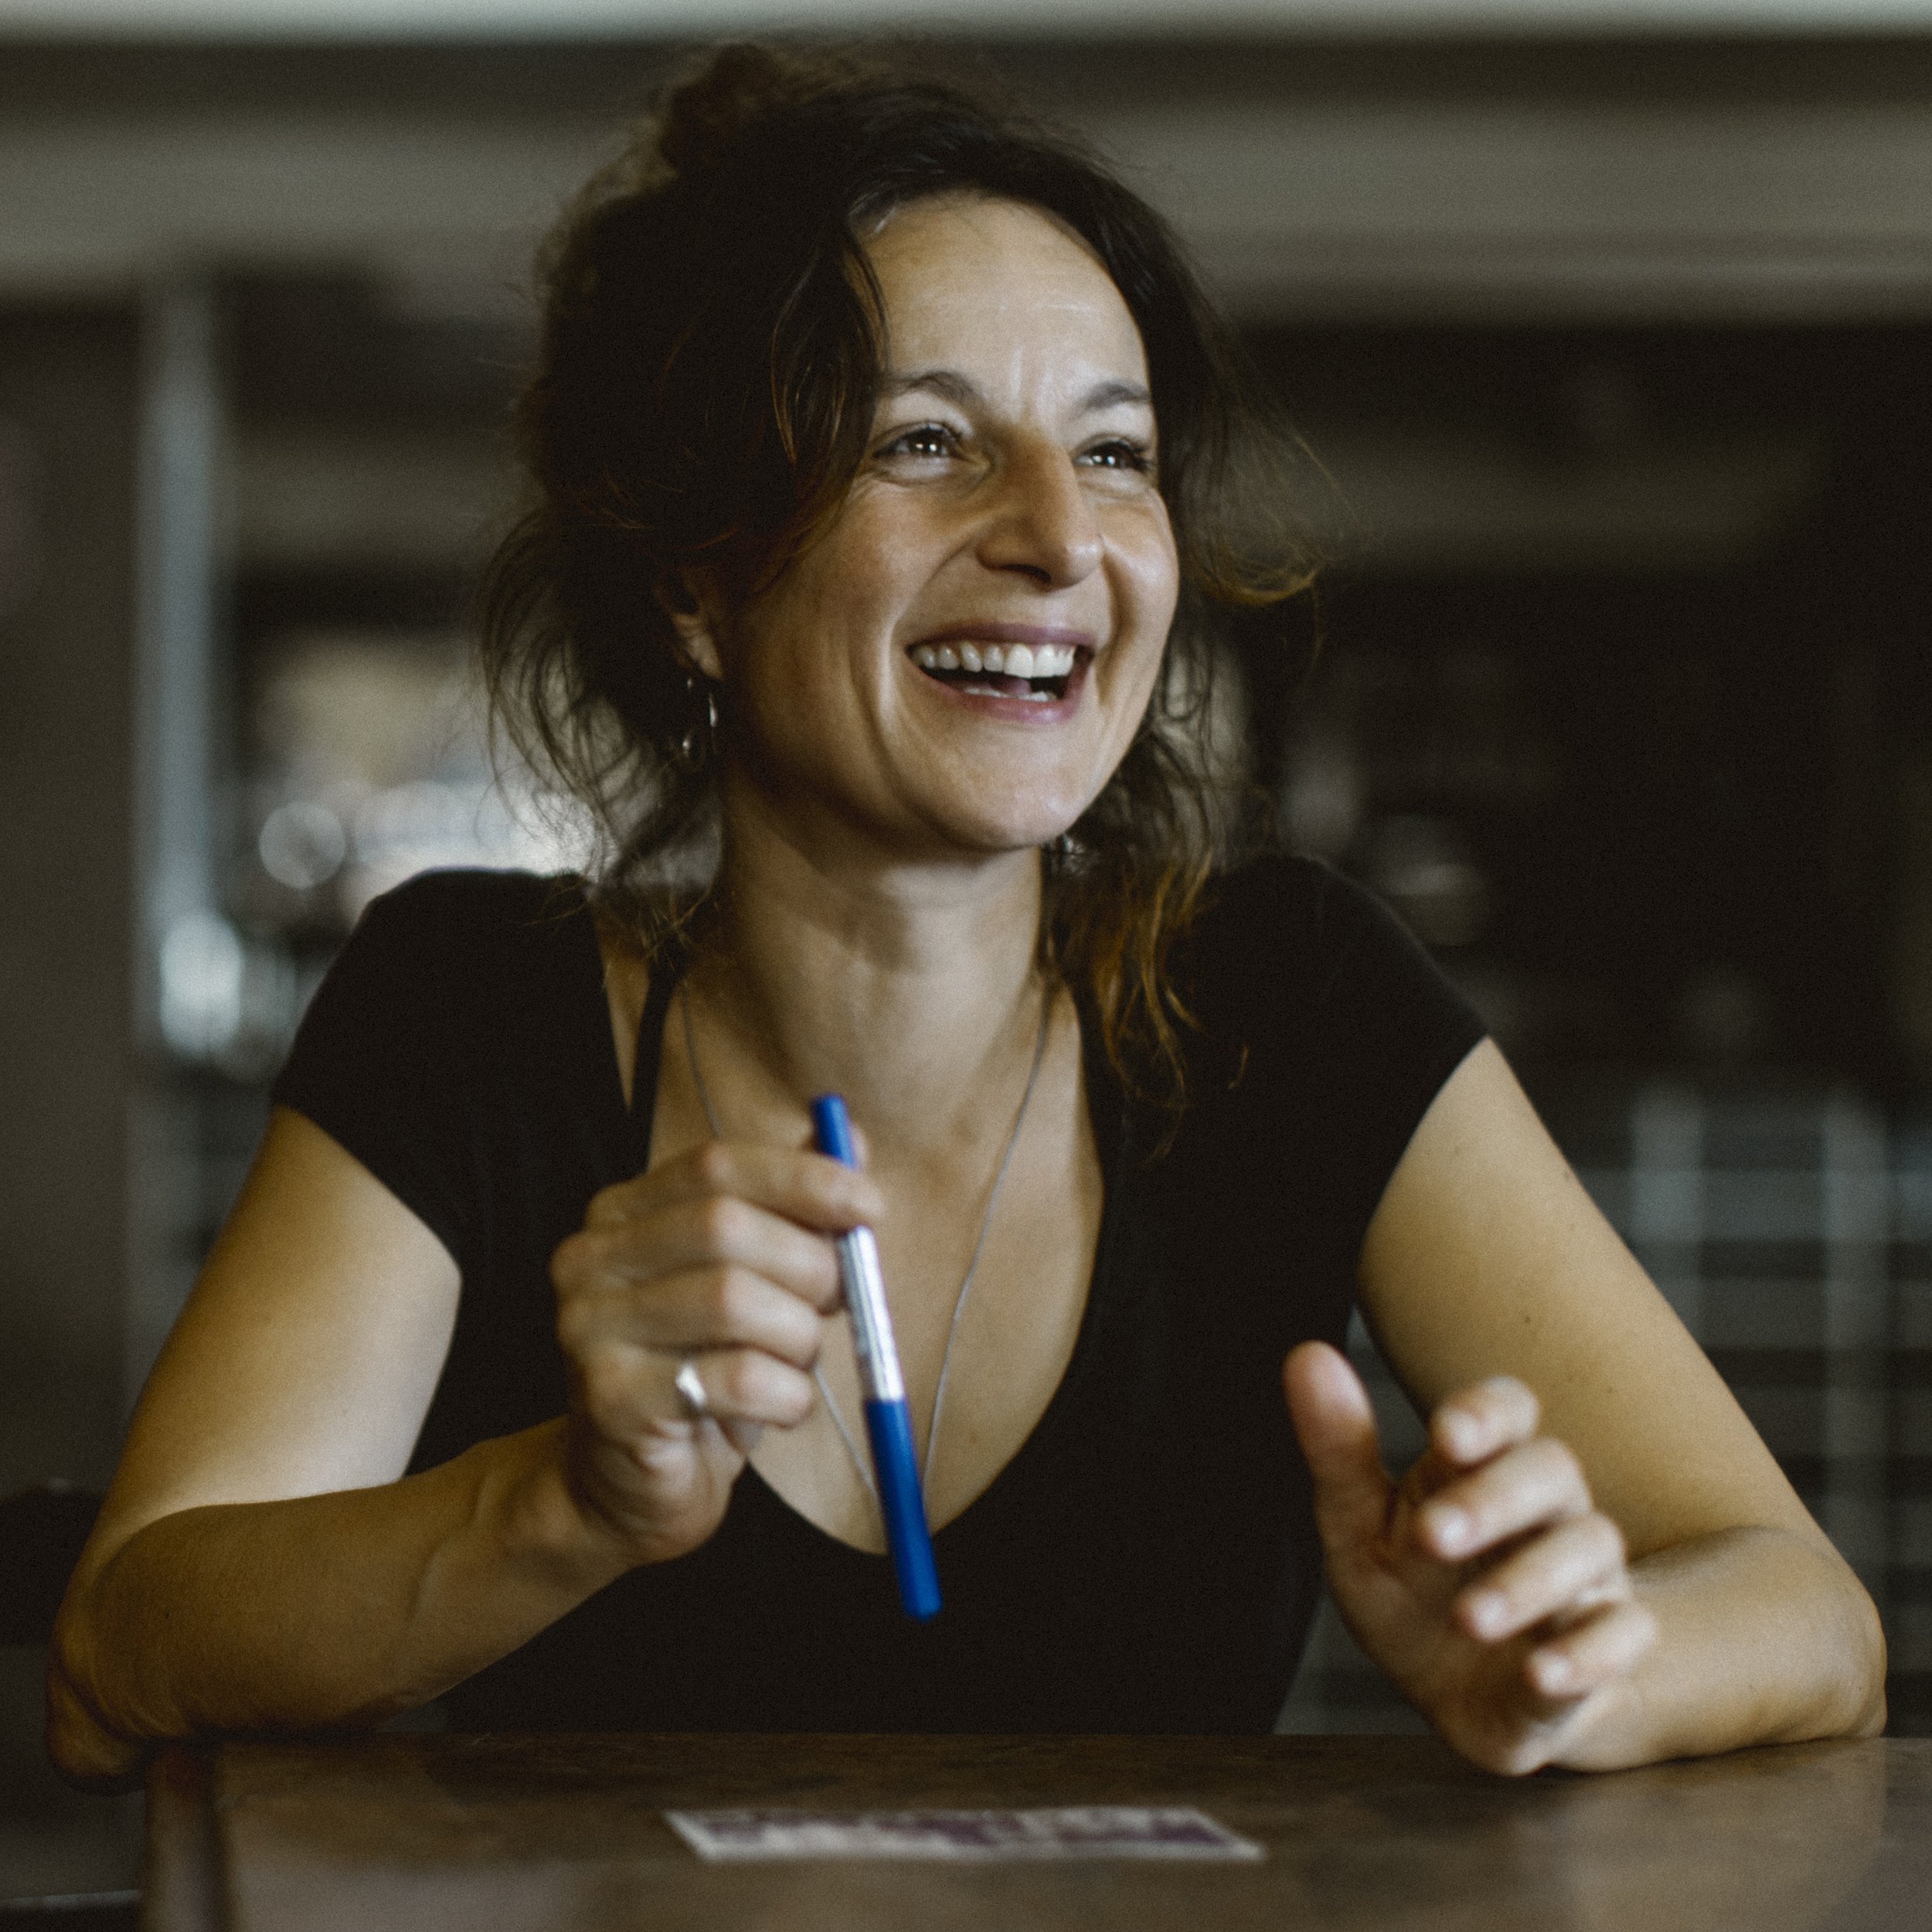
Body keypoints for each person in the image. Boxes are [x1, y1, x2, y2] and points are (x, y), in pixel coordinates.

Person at [50, 46, 1882, 1787]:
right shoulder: (473, 1006)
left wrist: (1579, 1662)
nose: (1055, 537)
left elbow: (1801, 1611)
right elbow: (125, 1648)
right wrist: (557, 1505)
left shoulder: (1292, 1000)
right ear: (697, 575)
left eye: (1113, 453)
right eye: (924, 442)